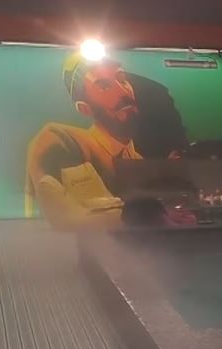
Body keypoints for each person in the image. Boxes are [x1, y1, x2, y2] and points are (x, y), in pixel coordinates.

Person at [25, 52, 144, 229]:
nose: (123, 92)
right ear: (84, 108)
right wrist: (151, 217)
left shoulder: (136, 159)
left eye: (122, 80)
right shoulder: (61, 139)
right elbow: (68, 220)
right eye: (104, 86)